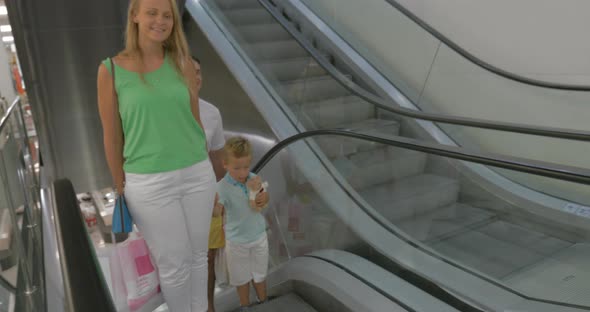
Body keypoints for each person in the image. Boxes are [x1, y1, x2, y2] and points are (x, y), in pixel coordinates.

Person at [96, 0, 215, 311]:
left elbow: (194, 121)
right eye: (152, 13)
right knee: (174, 265)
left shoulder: (184, 63)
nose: (160, 21)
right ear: (134, 15)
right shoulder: (109, 70)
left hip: (197, 174)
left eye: (167, 16)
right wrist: (120, 185)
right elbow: (112, 136)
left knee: (199, 256)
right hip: (148, 183)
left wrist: (207, 168)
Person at [190, 57, 269, 312]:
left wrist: (225, 196)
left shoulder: (211, 112)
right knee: (183, 260)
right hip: (177, 198)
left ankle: (208, 307)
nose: (196, 76)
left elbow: (217, 158)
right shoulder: (162, 112)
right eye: (188, 72)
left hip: (207, 195)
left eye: (199, 71)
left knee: (208, 257)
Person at [215, 137, 270, 311]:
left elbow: (264, 199)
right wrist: (211, 205)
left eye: (246, 167)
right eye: (237, 168)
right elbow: (217, 212)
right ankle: (245, 306)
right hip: (237, 241)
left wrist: (263, 197)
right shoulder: (221, 187)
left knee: (260, 275)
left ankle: (264, 302)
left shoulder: (254, 179)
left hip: (259, 236)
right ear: (225, 164)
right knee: (241, 278)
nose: (242, 173)